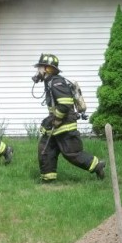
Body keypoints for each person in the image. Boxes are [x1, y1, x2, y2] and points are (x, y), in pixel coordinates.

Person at [32, 53, 106, 182]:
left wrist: (57, 119)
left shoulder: (56, 82)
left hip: (64, 124)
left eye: (40, 67)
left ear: (47, 69)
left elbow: (65, 104)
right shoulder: (50, 82)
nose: (38, 71)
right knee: (46, 149)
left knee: (72, 153)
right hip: (55, 123)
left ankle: (96, 165)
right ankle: (48, 179)